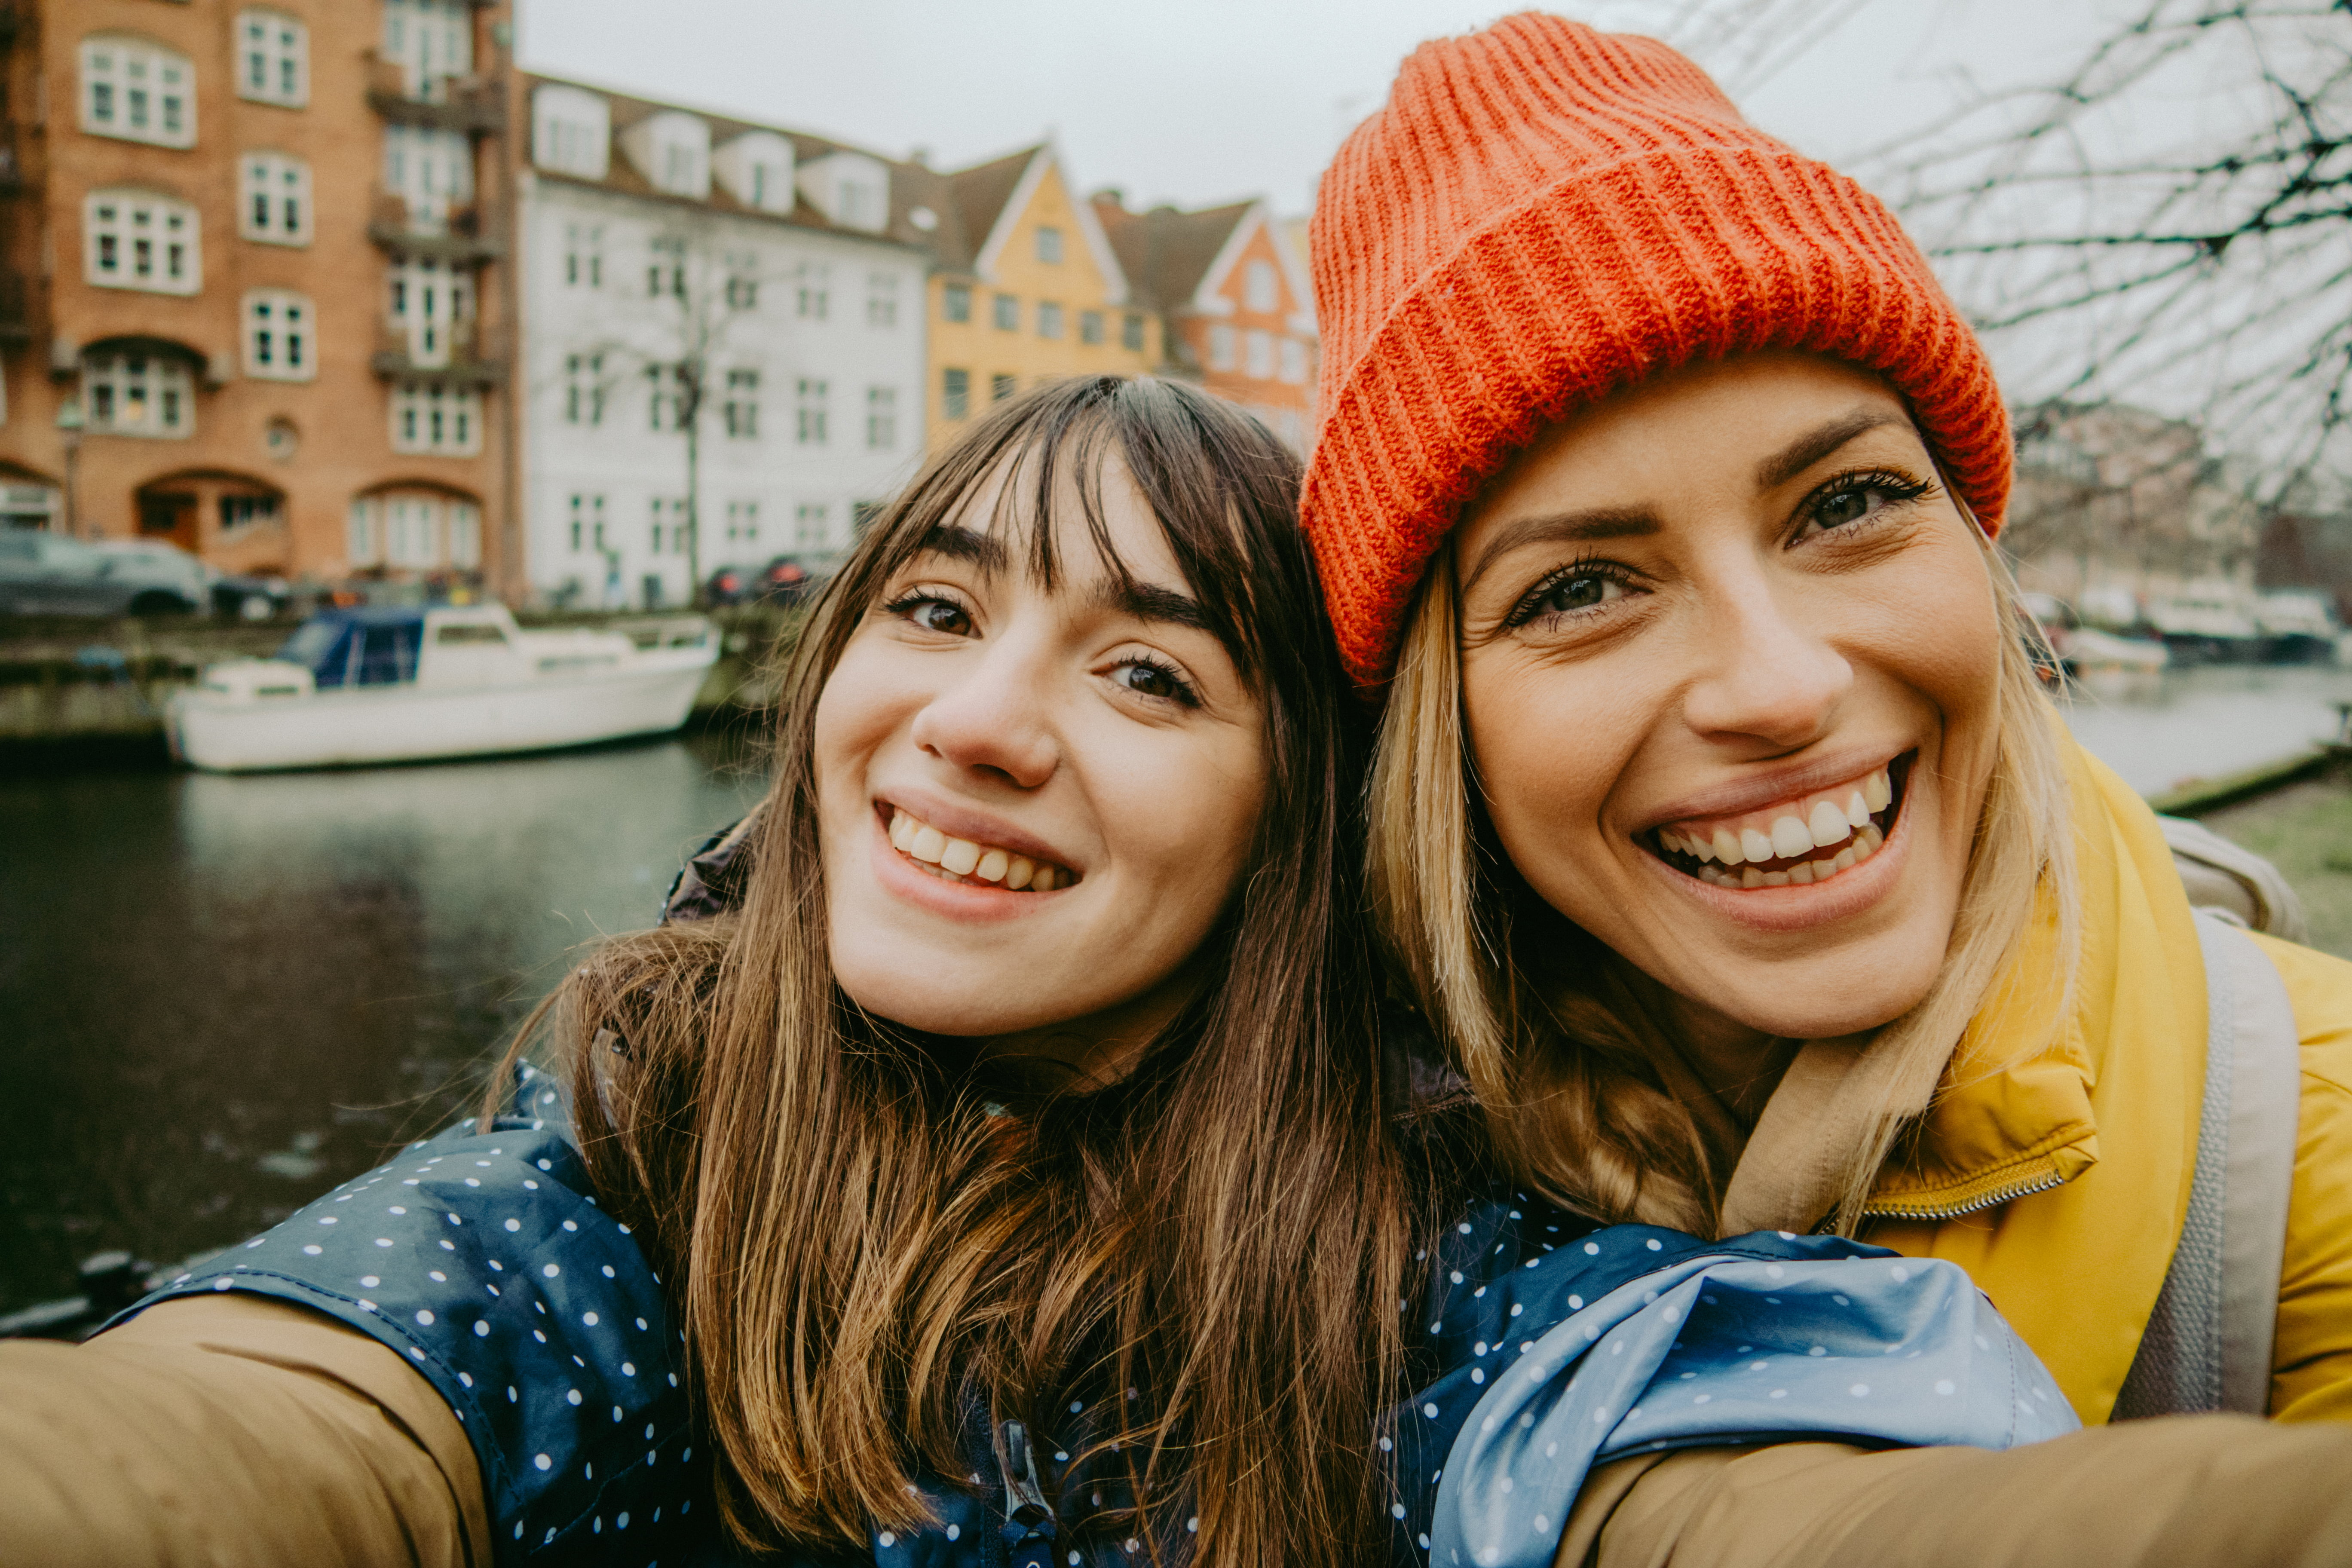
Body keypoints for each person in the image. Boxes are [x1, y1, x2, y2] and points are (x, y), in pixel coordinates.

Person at [0, 378, 2100, 1568]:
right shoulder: (650, 1151)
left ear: (1298, 824)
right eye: (934, 610)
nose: (980, 725)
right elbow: (304, 1409)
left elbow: (1728, 1481)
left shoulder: (1428, 1259)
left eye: (1150, 674)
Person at [1296, 1, 2352, 1506]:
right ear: (1434, 733)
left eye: (1848, 504)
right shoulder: (1312, 1189)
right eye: (1580, 589)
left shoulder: (2314, 1137)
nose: (1780, 687)